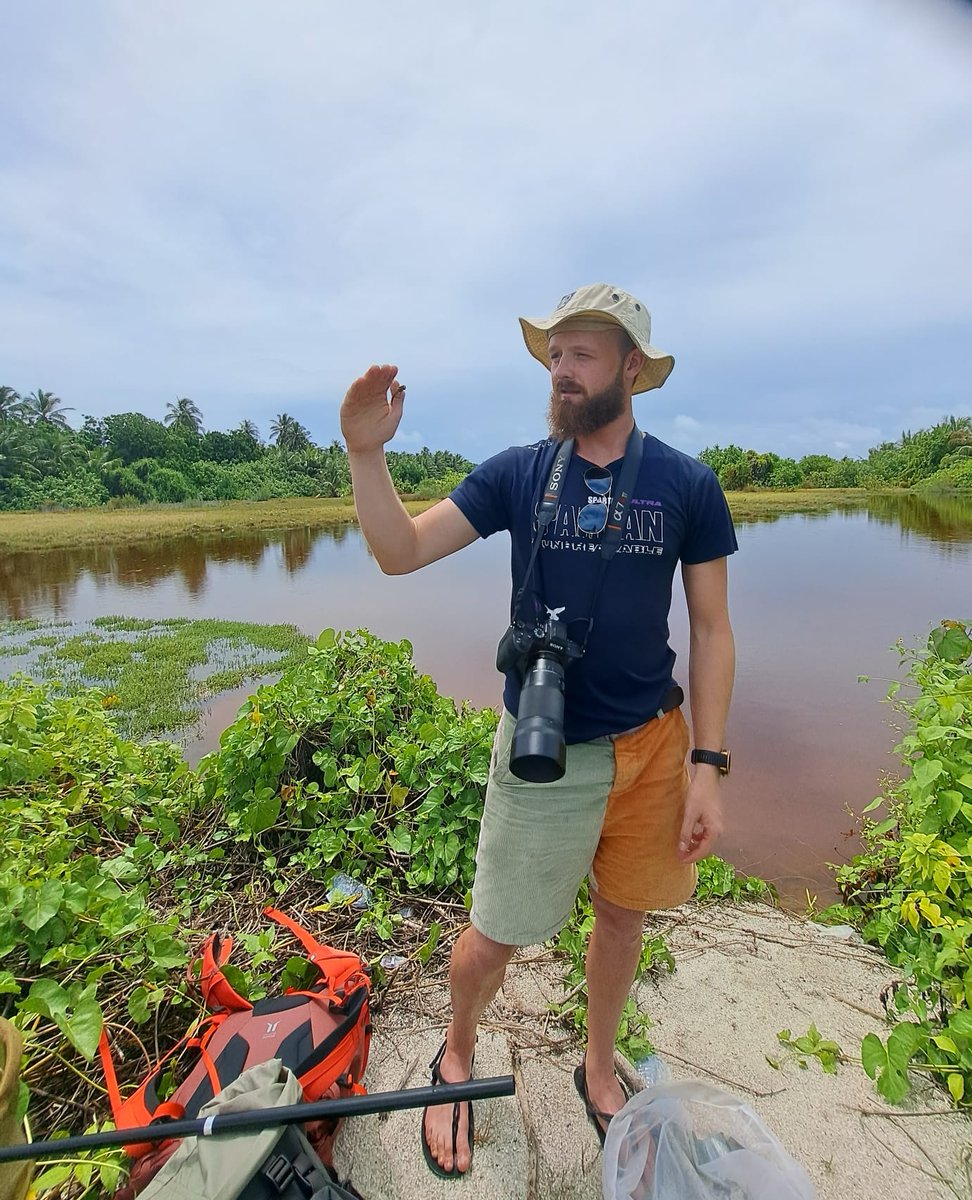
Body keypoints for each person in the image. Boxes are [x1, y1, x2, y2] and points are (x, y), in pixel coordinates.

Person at [339, 283, 737, 1178]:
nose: (561, 370)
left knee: (625, 918)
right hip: (543, 748)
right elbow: (400, 552)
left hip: (654, 744)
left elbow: (711, 629)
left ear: (631, 368)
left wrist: (707, 763)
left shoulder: (686, 483)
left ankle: (597, 1071)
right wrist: (367, 457)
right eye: (554, 354)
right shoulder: (520, 471)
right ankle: (456, 1050)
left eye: (581, 354)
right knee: (495, 932)